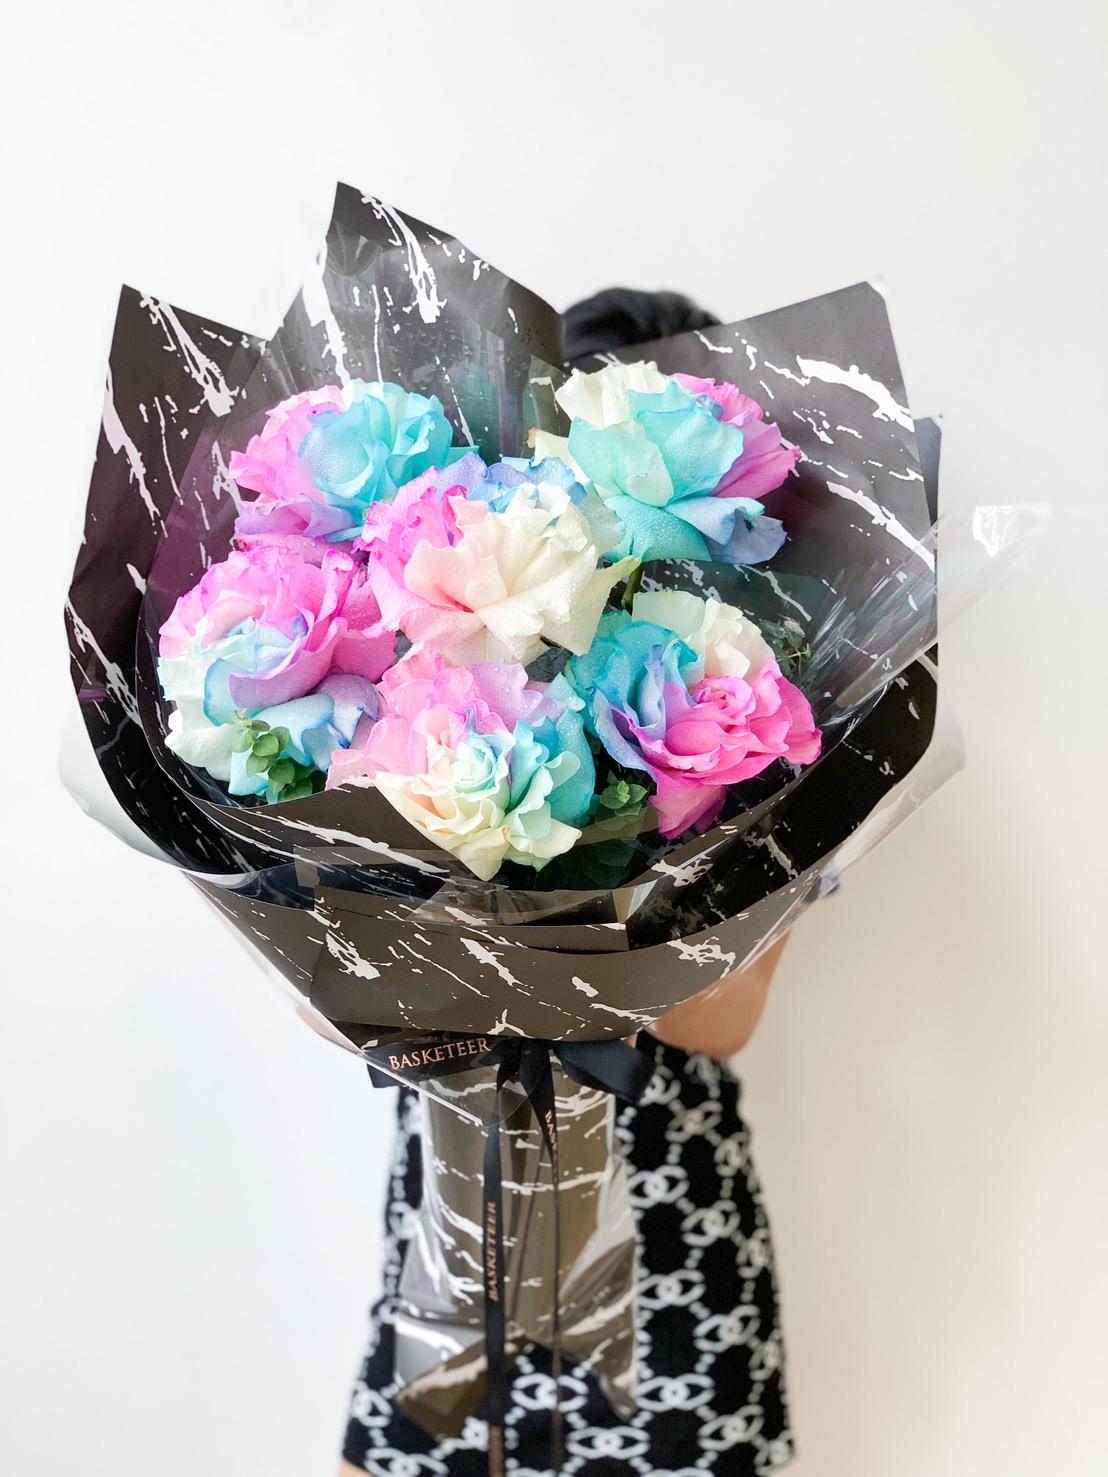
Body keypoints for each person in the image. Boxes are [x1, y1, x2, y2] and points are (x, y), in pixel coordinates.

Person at [340, 290, 795, 1477]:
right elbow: (337, 1009)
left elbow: (719, 1016)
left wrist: (557, 910)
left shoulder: (752, 730)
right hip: (459, 1207)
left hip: (666, 1223)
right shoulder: (422, 707)